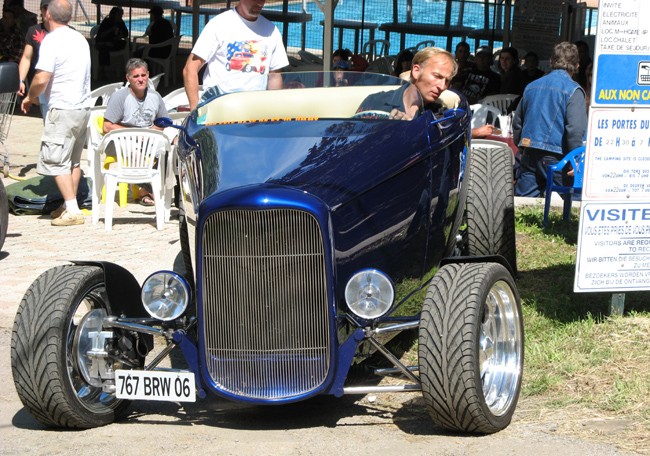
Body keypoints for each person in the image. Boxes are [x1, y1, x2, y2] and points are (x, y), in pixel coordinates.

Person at [20, 0, 92, 226]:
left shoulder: (52, 41)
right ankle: (68, 204)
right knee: (73, 161)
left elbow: (41, 78)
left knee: (56, 160)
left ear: (47, 15)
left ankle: (72, 210)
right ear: (69, 17)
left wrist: (30, 97)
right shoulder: (80, 38)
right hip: (82, 108)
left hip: (62, 108)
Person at [183, 0, 289, 111]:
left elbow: (275, 76)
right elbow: (190, 69)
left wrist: (276, 111)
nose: (260, 3)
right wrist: (196, 111)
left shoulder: (271, 30)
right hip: (220, 107)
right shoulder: (218, 25)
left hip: (256, 110)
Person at [512, 41, 587, 198]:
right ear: (577, 66)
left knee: (523, 204)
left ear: (552, 62)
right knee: (571, 203)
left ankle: (518, 224)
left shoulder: (531, 86)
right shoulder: (574, 90)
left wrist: (523, 147)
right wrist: (577, 158)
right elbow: (575, 129)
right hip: (559, 156)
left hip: (530, 150)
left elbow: (517, 122)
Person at [103, 58, 169, 206]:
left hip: (148, 139)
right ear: (128, 78)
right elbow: (107, 126)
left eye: (143, 75)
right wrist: (134, 134)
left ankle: (149, 189)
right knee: (136, 153)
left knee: (171, 149)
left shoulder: (155, 96)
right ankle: (148, 191)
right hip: (123, 141)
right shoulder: (120, 97)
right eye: (136, 76)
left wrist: (153, 132)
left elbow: (163, 121)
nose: (140, 79)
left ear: (148, 75)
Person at [356, 47, 457, 121]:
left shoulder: (439, 116)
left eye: (447, 81)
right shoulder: (376, 101)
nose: (443, 86)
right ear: (416, 71)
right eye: (437, 76)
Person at [17, 0, 49, 119]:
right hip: (39, 80)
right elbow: (26, 57)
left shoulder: (68, 32)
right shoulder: (34, 31)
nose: (47, 12)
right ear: (41, 10)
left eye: (50, 8)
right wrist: (20, 81)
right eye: (45, 8)